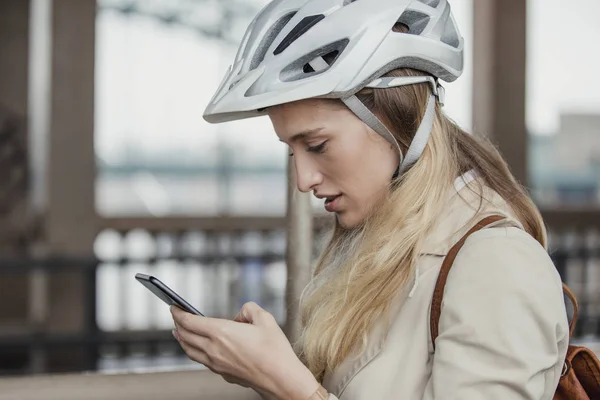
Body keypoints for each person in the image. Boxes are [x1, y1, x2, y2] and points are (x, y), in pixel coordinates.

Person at [170, 0, 570, 399]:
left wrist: (287, 384)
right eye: (293, 151)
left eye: (317, 144)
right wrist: (263, 369)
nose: (303, 180)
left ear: (394, 121)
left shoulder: (497, 265)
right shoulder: (387, 248)